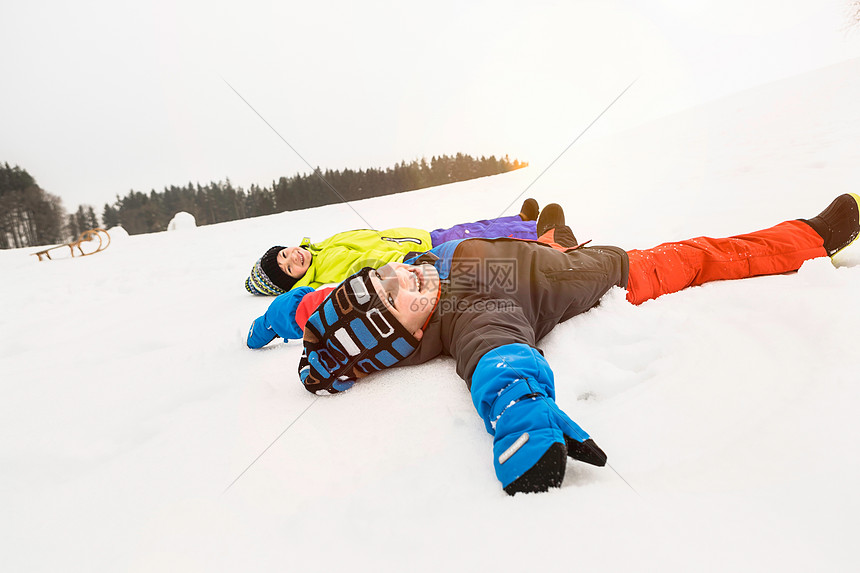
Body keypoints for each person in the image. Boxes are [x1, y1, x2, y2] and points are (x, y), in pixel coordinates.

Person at [247, 194, 860, 495]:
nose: (409, 275)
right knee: (701, 255)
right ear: (412, 334)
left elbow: (312, 306)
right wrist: (523, 418)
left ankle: (553, 237)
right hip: (613, 272)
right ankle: (807, 238)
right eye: (403, 293)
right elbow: (499, 358)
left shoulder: (402, 282)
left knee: (542, 247)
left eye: (387, 275)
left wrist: (279, 312)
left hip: (531, 258)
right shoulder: (471, 312)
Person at [244, 199, 546, 295]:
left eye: (284, 254)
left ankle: (521, 220)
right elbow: (361, 265)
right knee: (475, 239)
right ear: (295, 280)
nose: (292, 258)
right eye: (289, 269)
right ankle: (536, 233)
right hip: (410, 252)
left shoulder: (320, 248)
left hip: (415, 238)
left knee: (472, 227)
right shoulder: (324, 267)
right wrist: (403, 258)